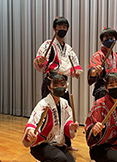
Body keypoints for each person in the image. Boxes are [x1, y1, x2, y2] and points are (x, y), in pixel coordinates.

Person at [32, 17, 83, 151]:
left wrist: (76, 72)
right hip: (51, 82)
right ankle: (41, 145)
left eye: (64, 27)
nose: (62, 29)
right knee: (46, 113)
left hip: (63, 83)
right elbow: (39, 63)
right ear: (54, 29)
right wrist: (41, 61)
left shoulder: (68, 48)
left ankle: (66, 143)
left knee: (66, 113)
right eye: (59, 26)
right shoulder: (48, 44)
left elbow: (75, 66)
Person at [21, 72, 80, 162]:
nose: (60, 87)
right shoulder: (43, 104)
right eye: (56, 84)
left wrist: (71, 127)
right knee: (60, 158)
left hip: (58, 144)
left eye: (62, 84)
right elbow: (33, 123)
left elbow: (68, 121)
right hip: (42, 145)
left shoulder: (64, 103)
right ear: (49, 87)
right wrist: (31, 133)